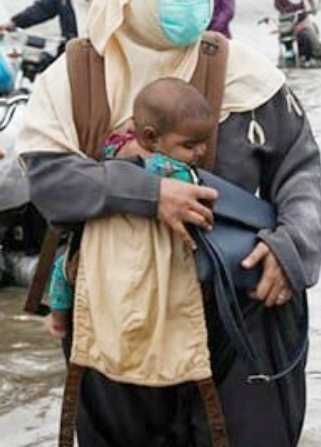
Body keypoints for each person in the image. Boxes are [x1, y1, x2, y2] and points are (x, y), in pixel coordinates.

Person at [18, 0, 321, 447]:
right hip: (118, 312)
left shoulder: (248, 76)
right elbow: (49, 180)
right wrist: (146, 193)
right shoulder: (77, 77)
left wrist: (292, 249)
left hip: (239, 313)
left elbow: (299, 172)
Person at [43, 77, 215, 339]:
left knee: (63, 269)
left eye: (204, 142)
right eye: (190, 146)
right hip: (156, 257)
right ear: (150, 136)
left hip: (108, 248)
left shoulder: (115, 149)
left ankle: (58, 321)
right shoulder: (176, 172)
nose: (200, 152)